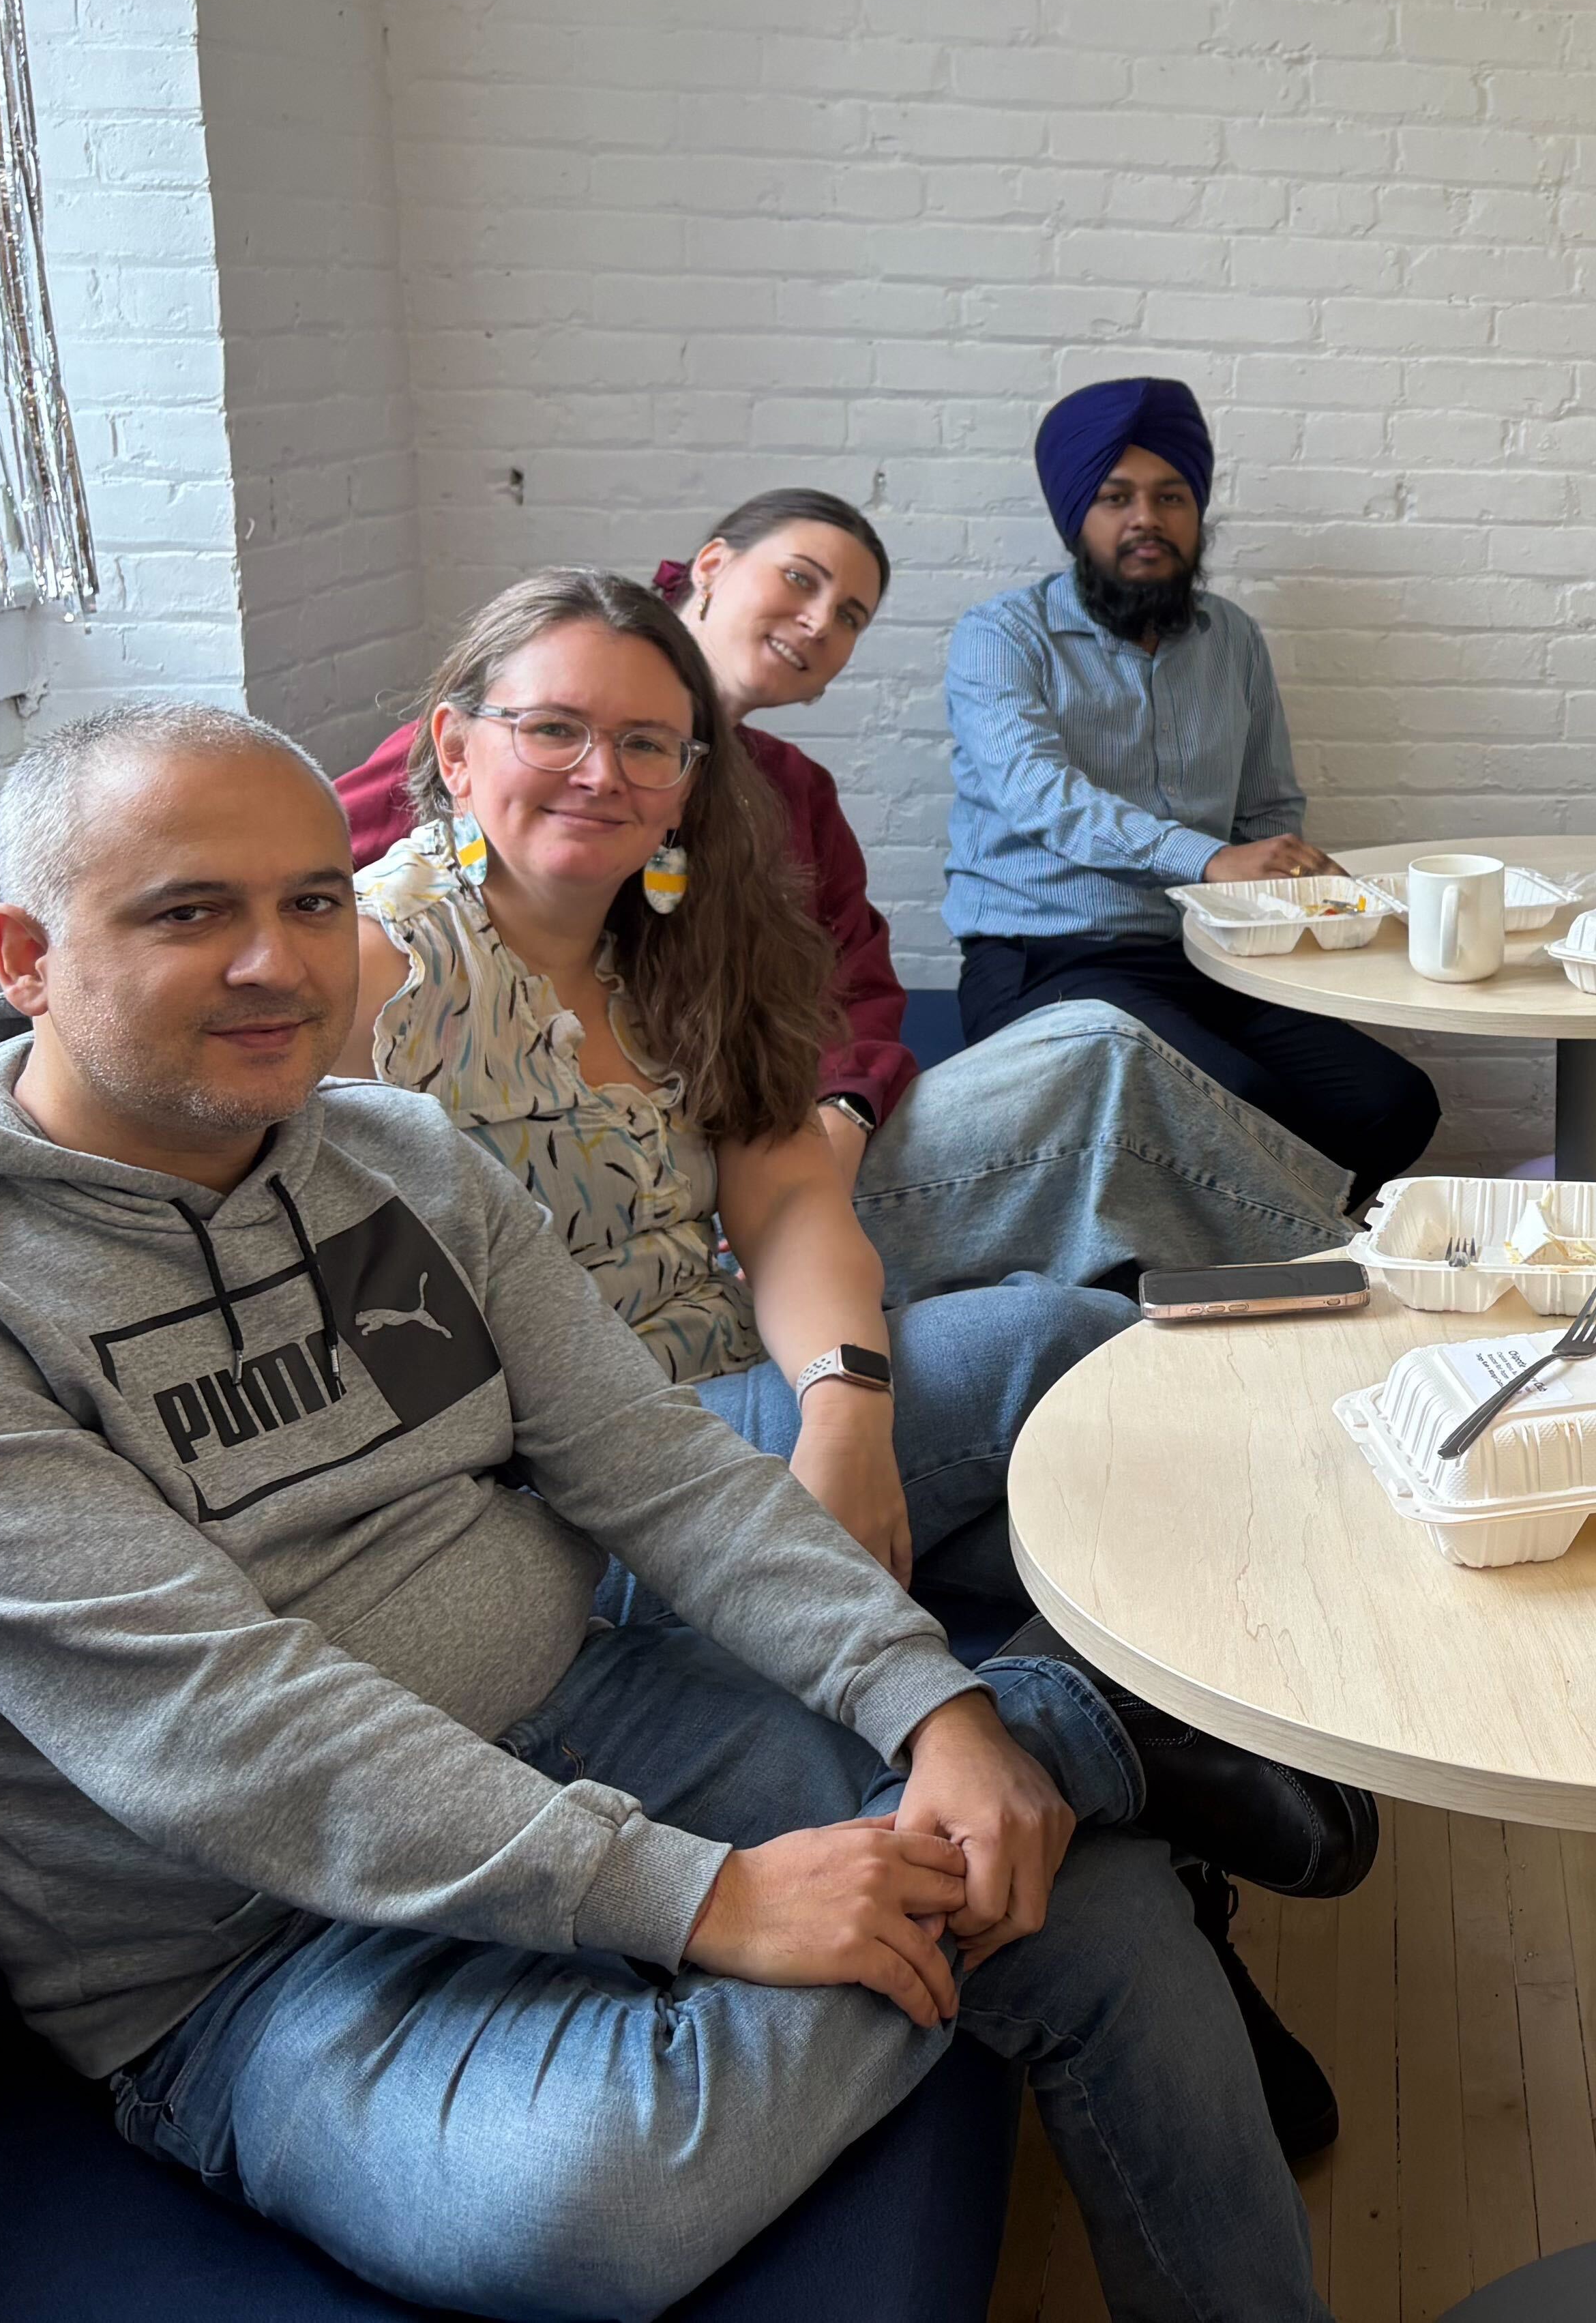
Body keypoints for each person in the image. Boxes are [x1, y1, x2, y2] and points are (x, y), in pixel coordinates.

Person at [0, 704, 1329, 2320]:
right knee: (587, 2207)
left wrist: (927, 1704)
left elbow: (654, 1467)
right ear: (26, 955)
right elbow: (219, 1731)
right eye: (191, 912)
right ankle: (1085, 1732)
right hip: (256, 1957)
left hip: (585, 1708)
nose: (278, 962)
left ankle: (1038, 1763)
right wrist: (704, 1897)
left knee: (1066, 1893)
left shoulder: (389, 1160)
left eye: (315, 901)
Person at [351, 570, 1372, 2152]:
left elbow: (787, 1192)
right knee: (1072, 1339)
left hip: (743, 1410)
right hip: (600, 1490)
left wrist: (848, 1403)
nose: (602, 774)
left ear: (695, 775)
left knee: (1083, 1473)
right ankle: (1133, 1746)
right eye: (553, 730)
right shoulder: (381, 965)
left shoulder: (667, 939)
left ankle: (1154, 1861)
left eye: (647, 744)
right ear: (454, 746)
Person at [334, 490, 1353, 1309]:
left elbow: (860, 991)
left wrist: (841, 1106)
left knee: (1104, 1055)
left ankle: (1342, 1289)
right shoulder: (472, 799)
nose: (821, 622)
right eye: (801, 580)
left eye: (852, 615)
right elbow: (318, 910)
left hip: (776, 1141)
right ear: (714, 566)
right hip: (606, 1199)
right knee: (1096, 1095)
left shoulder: (793, 796)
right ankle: (1355, 1293)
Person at [948, 381, 1441, 1206]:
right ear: (1078, 519)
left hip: (1209, 954)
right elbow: (1040, 793)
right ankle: (1257, 1274)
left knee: (1390, 1103)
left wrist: (1295, 896)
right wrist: (1210, 860)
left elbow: (1269, 808)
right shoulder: (1003, 636)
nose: (1147, 517)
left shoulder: (1233, 638)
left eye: (1170, 496)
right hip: (1046, 957)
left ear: (1198, 513)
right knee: (1244, 1102)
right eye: (1116, 498)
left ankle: (1275, 1256)